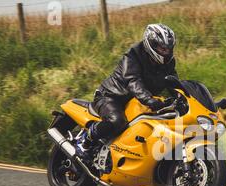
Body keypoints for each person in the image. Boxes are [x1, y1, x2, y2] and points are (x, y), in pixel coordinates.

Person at [76, 23, 178, 157]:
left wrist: (184, 98)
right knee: (117, 121)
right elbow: (132, 81)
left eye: (168, 49)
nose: (166, 52)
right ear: (151, 44)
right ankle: (85, 141)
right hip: (110, 97)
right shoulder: (133, 56)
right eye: (162, 48)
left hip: (136, 102)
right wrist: (149, 99)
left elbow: (173, 82)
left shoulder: (168, 63)